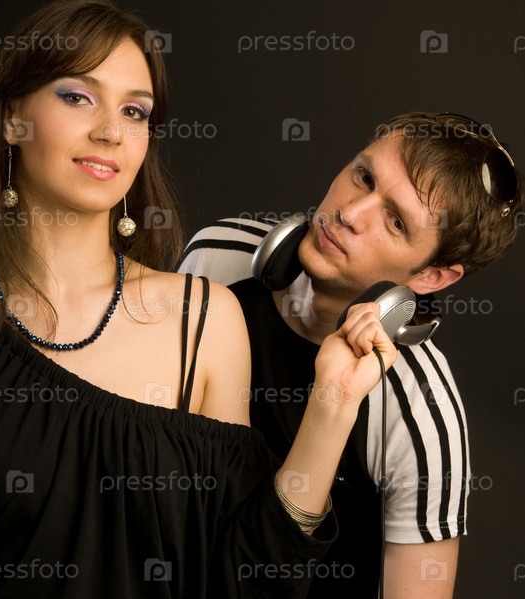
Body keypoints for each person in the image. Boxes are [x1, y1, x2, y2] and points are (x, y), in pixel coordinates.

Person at [0, 1, 403, 598]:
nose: (111, 131)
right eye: (77, 97)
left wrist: (333, 405)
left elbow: (246, 579)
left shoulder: (204, 322)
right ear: (12, 118)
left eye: (134, 111)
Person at [179, 111, 525, 597]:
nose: (351, 213)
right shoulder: (216, 258)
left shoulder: (423, 411)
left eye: (396, 221)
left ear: (432, 276)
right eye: (364, 177)